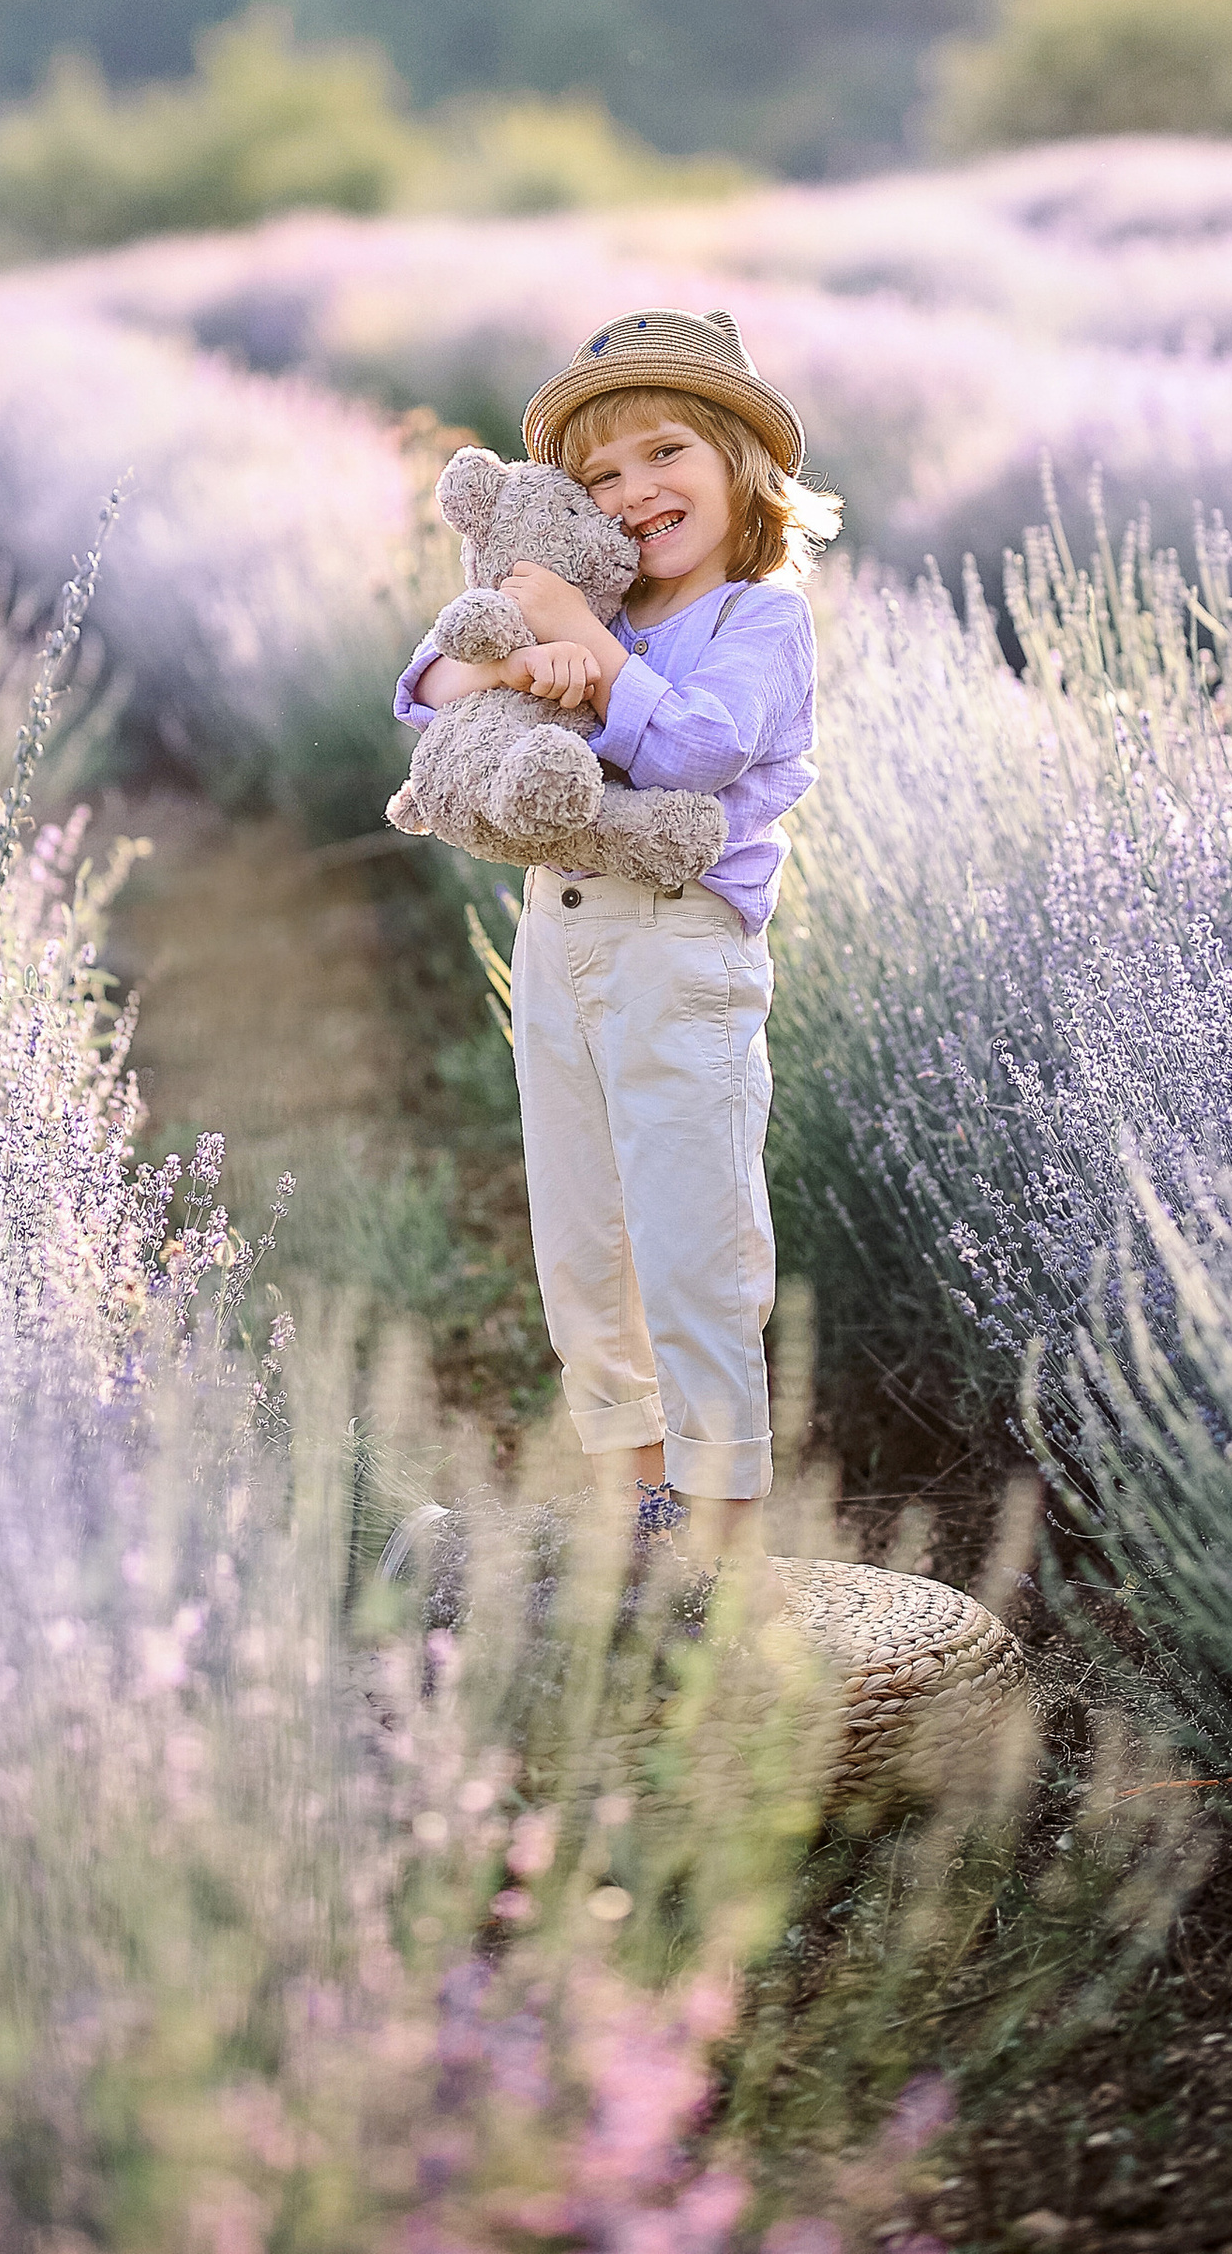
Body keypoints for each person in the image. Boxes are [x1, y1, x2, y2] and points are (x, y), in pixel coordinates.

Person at [392, 306, 839, 1550]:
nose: (633, 493)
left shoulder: (756, 622)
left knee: (695, 1240)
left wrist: (587, 649)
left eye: (664, 456)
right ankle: (634, 1510)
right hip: (560, 944)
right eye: (600, 475)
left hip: (680, 951)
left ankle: (720, 1529)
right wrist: (514, 649)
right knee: (582, 1239)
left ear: (745, 472)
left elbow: (697, 749)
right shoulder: (589, 598)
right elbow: (420, 693)